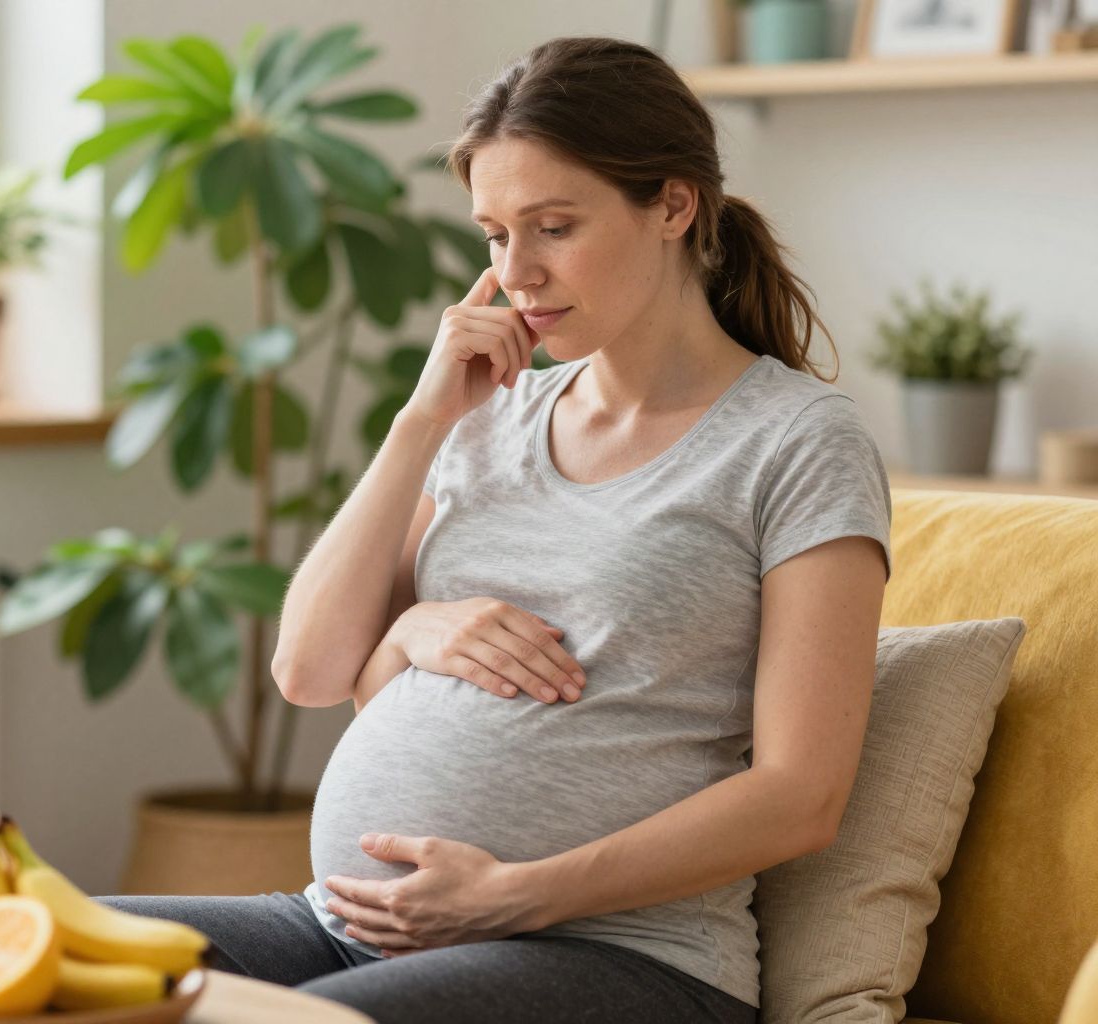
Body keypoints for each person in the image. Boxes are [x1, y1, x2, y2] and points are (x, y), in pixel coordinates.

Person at [96, 34, 892, 1023]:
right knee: (40, 955)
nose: (517, 272)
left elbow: (801, 793)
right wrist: (420, 426)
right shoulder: (490, 416)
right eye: (493, 233)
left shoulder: (798, 441)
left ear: (674, 207)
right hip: (345, 922)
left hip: (624, 955)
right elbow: (307, 669)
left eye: (553, 226)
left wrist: (517, 891)